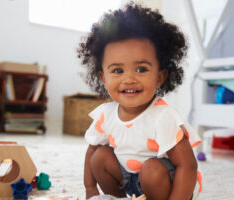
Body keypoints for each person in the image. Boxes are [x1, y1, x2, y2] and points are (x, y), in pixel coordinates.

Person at [77, 3, 202, 200]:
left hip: (167, 183)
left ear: (160, 77)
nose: (129, 79)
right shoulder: (105, 114)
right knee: (99, 156)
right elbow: (91, 151)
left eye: (141, 69)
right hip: (131, 178)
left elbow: (187, 166)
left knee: (151, 169)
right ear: (103, 78)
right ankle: (119, 198)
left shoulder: (163, 116)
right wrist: (90, 189)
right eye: (117, 71)